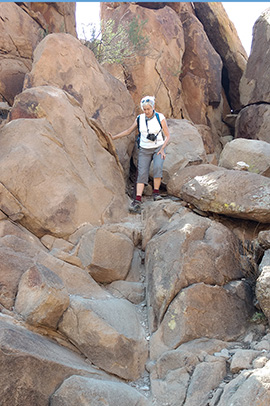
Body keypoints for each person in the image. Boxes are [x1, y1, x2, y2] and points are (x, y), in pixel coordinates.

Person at [110, 96, 170, 214]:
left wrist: (162, 149)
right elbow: (128, 131)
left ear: (153, 107)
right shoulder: (139, 118)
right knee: (142, 173)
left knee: (158, 167)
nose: (146, 111)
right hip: (144, 149)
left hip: (158, 147)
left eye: (148, 109)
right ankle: (137, 200)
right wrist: (114, 137)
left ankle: (156, 193)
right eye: (144, 109)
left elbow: (168, 135)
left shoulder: (160, 117)